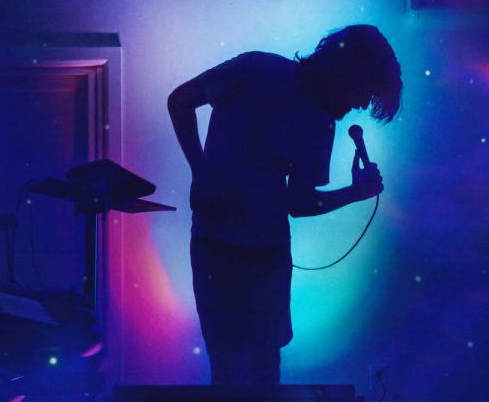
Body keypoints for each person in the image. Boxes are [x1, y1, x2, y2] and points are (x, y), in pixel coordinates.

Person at [168, 24, 402, 385]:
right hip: (224, 247)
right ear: (345, 69)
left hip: (260, 252)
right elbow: (180, 100)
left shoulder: (322, 122)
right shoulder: (255, 70)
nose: (359, 104)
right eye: (362, 91)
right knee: (235, 366)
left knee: (255, 368)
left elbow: (299, 202)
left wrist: (353, 194)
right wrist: (201, 170)